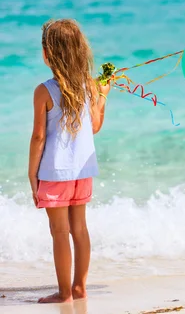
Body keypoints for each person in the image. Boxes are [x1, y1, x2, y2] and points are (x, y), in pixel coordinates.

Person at [28, 19, 110, 304]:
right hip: (82, 171)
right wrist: (102, 98)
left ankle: (64, 293)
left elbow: (39, 137)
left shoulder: (44, 91)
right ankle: (79, 288)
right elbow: (95, 126)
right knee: (80, 229)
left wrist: (32, 175)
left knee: (59, 232)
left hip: (55, 172)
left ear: (47, 54)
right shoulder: (89, 86)